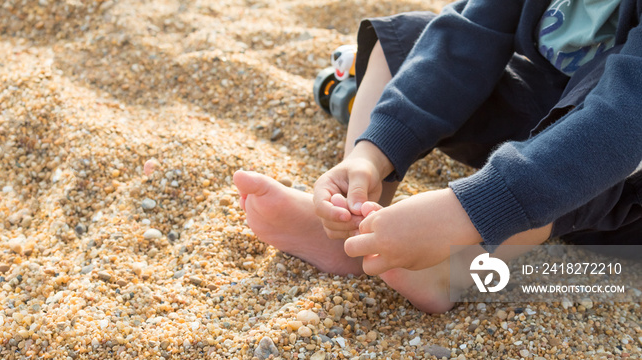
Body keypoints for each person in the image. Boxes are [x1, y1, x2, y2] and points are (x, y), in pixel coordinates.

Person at [234, 0, 642, 313]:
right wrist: (373, 153)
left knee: (584, 135)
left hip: (622, 175)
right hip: (552, 107)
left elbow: (620, 121)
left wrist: (462, 213)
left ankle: (454, 267)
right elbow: (466, 39)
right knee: (412, 40)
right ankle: (356, 218)